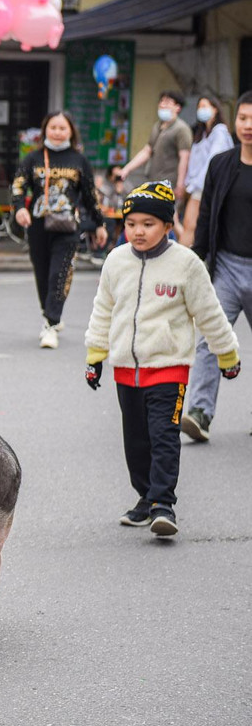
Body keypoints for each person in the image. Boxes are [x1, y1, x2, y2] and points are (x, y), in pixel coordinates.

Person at [84, 180, 239, 538]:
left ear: (168, 226)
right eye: (132, 223)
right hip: (126, 371)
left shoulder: (186, 264)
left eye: (148, 224)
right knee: (136, 442)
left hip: (169, 370)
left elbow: (210, 313)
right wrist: (95, 357)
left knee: (164, 436)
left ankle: (163, 504)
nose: (138, 231)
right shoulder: (116, 261)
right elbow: (103, 311)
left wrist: (226, 354)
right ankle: (145, 498)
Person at [183, 91, 252, 442]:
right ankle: (200, 412)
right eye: (243, 118)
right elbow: (207, 213)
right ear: (234, 121)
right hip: (226, 265)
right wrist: (197, 257)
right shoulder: (222, 164)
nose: (248, 126)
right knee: (211, 338)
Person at [12, 111, 107, 349]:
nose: (57, 132)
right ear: (45, 129)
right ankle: (50, 312)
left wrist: (99, 223)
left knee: (60, 273)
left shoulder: (79, 160)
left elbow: (89, 195)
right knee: (42, 274)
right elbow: (18, 186)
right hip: (38, 226)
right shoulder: (32, 158)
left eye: (62, 128)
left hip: (67, 228)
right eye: (53, 127)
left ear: (71, 132)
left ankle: (51, 324)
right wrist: (19, 209)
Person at [119, 91, 192, 205]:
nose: (162, 105)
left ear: (177, 107)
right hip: (154, 181)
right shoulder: (157, 126)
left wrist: (180, 184)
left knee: (169, 218)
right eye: (161, 101)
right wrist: (127, 169)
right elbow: (147, 151)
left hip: (169, 184)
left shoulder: (181, 129)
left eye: (167, 102)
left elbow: (184, 157)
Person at [180, 95, 234, 246]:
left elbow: (213, 160)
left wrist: (195, 185)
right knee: (194, 226)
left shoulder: (219, 132)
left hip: (205, 186)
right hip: (196, 186)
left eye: (205, 106)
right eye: (199, 107)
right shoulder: (202, 134)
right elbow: (194, 163)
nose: (201, 110)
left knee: (189, 225)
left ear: (215, 109)